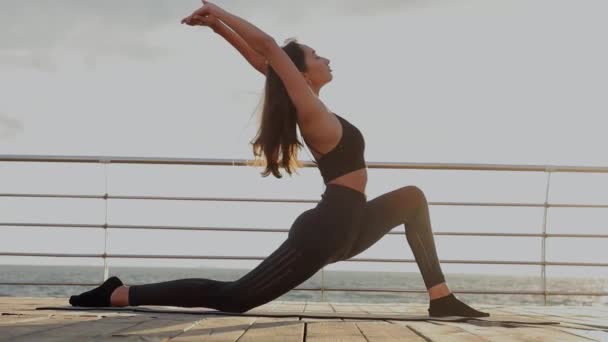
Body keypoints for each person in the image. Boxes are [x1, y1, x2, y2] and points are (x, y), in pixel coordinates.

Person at [69, 0, 489, 318]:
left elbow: (263, 62)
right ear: (302, 73)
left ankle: (440, 297)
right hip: (323, 234)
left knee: (412, 198)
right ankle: (119, 293)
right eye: (317, 55)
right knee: (233, 299)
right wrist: (219, 10)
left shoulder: (313, 106)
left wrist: (217, 28)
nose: (326, 58)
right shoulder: (312, 114)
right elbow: (269, 50)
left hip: (352, 225)